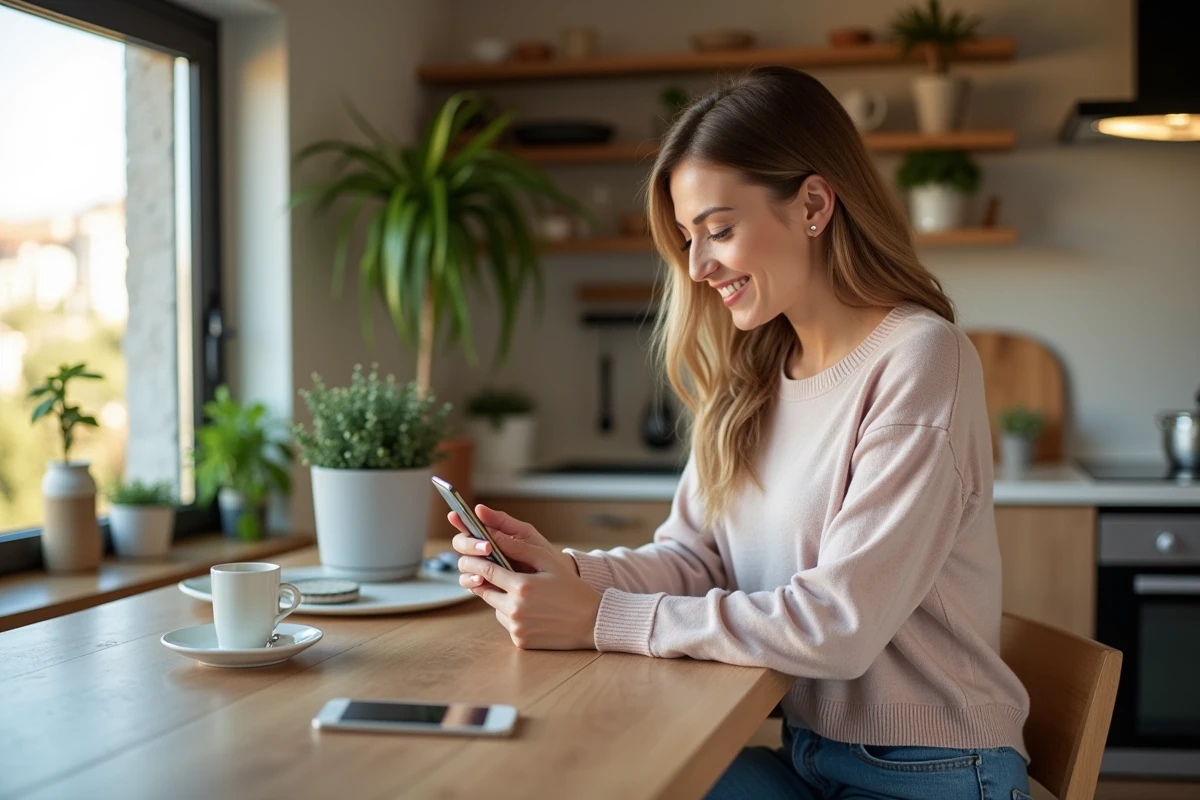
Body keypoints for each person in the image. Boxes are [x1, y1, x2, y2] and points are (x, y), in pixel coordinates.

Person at [448, 66, 1032, 800]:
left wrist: (602, 616)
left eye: (719, 230)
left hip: (932, 771)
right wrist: (567, 573)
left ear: (814, 203)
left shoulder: (920, 357)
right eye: (689, 238)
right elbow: (696, 559)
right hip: (806, 754)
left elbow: (839, 626)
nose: (697, 267)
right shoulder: (753, 370)